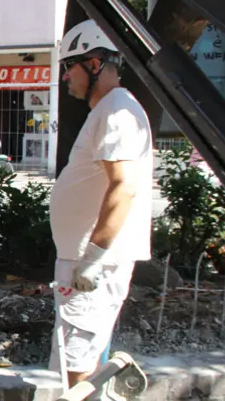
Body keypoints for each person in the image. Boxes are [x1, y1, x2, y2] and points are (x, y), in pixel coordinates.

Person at [47, 19, 153, 390]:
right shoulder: (108, 109)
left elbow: (123, 186)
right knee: (83, 359)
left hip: (91, 263)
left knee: (79, 369)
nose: (64, 77)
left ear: (93, 63)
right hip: (84, 261)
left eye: (67, 67)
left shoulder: (117, 110)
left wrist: (93, 256)